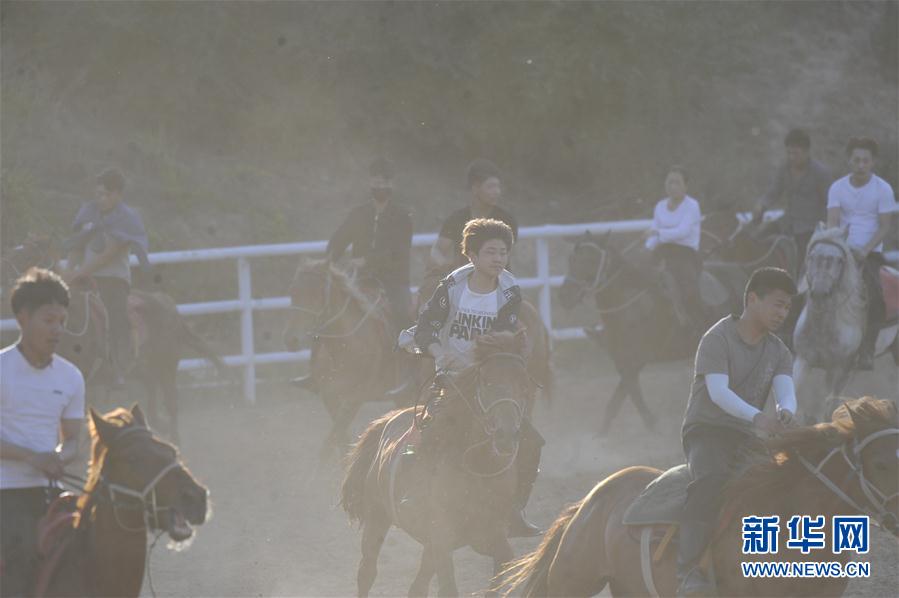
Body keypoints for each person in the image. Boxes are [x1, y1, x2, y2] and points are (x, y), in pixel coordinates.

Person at [410, 218, 542, 537]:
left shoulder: (510, 290)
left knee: (533, 441)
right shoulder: (452, 286)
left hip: (490, 373)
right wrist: (440, 354)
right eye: (491, 252)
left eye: (503, 252)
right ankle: (416, 495)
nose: (499, 258)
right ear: (471, 254)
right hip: (453, 377)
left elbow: (503, 334)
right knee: (429, 434)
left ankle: (515, 508)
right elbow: (426, 326)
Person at [676, 267, 798, 597]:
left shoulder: (779, 350)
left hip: (745, 435)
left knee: (780, 483)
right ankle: (688, 571)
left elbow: (786, 391)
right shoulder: (717, 337)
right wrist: (759, 417)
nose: (782, 313)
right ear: (752, 299)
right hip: (707, 430)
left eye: (787, 307)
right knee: (711, 481)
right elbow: (718, 393)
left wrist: (786, 412)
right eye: (777, 304)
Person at [291, 157, 413, 391]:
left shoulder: (402, 216)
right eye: (376, 181)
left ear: (392, 184)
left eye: (384, 181)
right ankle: (315, 370)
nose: (380, 186)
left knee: (403, 315)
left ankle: (407, 374)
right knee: (325, 312)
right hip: (360, 280)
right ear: (370, 182)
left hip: (393, 281)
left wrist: (367, 261)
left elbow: (398, 253)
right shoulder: (359, 213)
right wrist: (330, 260)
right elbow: (338, 240)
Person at [1, 268, 85, 597]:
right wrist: (31, 457)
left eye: (62, 322)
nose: (57, 330)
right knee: (22, 557)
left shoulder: (71, 377)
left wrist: (59, 457)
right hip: (5, 490)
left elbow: (74, 439)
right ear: (23, 318)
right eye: (49, 320)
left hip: (51, 491)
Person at [64, 167, 148, 387]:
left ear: (118, 195)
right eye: (98, 194)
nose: (100, 199)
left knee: (115, 314)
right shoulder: (88, 212)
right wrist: (68, 271)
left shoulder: (126, 218)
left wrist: (80, 272)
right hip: (85, 277)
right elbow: (77, 244)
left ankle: (118, 366)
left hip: (113, 279)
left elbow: (109, 254)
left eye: (106, 194)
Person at [826, 137, 897, 370]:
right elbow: (833, 221)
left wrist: (865, 250)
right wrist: (839, 247)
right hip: (840, 250)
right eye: (856, 160)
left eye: (865, 160)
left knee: (876, 295)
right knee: (812, 284)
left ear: (872, 162)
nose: (860, 164)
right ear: (849, 160)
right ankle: (798, 339)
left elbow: (884, 226)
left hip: (870, 253)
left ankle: (867, 349)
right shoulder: (837, 188)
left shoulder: (883, 189)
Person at [754, 128, 832, 261]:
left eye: (796, 153)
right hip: (787, 222)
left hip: (810, 227)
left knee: (802, 258)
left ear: (807, 152)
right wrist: (761, 205)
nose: (791, 157)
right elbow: (773, 192)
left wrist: (824, 230)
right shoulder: (784, 168)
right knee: (758, 239)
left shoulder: (821, 173)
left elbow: (830, 204)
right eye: (789, 153)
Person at [427, 159, 518, 273]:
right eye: (490, 187)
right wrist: (446, 267)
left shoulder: (505, 220)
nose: (497, 192)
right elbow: (437, 250)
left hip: (497, 282)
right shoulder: (457, 219)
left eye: (498, 186)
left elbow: (508, 256)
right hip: (464, 284)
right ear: (475, 188)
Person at [644, 167, 705, 333]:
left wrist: (658, 233)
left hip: (685, 254)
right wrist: (647, 248)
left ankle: (692, 324)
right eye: (669, 182)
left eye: (677, 182)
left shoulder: (692, 206)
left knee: (685, 288)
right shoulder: (660, 206)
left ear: (686, 185)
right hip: (663, 251)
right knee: (641, 275)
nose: (672, 186)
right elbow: (654, 230)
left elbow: (682, 232)